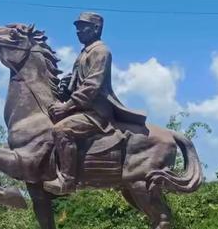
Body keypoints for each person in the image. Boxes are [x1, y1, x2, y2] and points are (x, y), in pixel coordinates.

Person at [44, 12, 146, 195]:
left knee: (61, 130)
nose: (78, 31)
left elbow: (92, 85)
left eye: (83, 27)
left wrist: (66, 107)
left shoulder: (101, 51)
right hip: (81, 108)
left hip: (95, 112)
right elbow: (76, 80)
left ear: (96, 28)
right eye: (77, 27)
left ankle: (67, 180)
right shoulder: (85, 52)